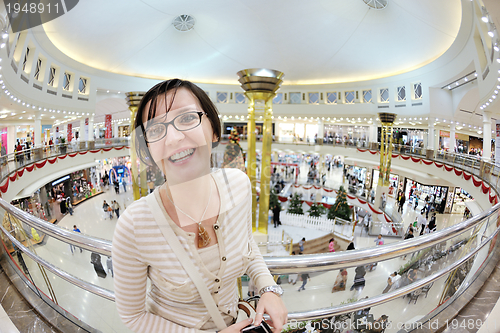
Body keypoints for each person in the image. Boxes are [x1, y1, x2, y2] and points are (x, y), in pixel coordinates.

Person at [112, 79, 287, 333]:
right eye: (156, 130)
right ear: (149, 150)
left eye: (186, 119)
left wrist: (268, 288)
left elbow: (248, 248)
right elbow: (134, 317)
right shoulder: (135, 225)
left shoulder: (238, 186)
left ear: (214, 129)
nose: (172, 138)